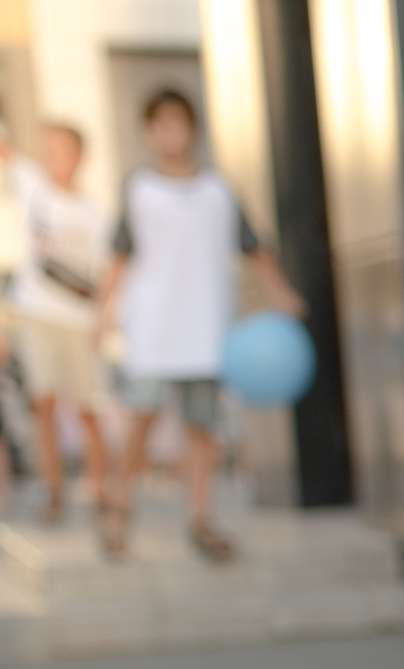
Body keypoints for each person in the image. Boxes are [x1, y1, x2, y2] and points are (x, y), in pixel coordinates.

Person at [93, 89, 306, 563]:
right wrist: (102, 312)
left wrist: (281, 294)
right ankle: (119, 508)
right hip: (152, 325)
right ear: (149, 132)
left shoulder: (219, 190)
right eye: (161, 125)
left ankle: (201, 517)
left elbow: (254, 247)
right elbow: (119, 256)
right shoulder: (139, 189)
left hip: (207, 326)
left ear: (192, 129)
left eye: (179, 123)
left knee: (202, 425)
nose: (171, 134)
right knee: (141, 414)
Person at [0, 120, 110, 527]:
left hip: (79, 320)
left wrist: (105, 320)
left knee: (87, 407)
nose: (53, 159)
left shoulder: (95, 214)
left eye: (61, 150)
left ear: (79, 157)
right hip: (36, 315)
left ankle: (99, 487)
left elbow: (105, 275)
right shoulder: (34, 190)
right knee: (42, 402)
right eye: (47, 151)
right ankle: (53, 491)